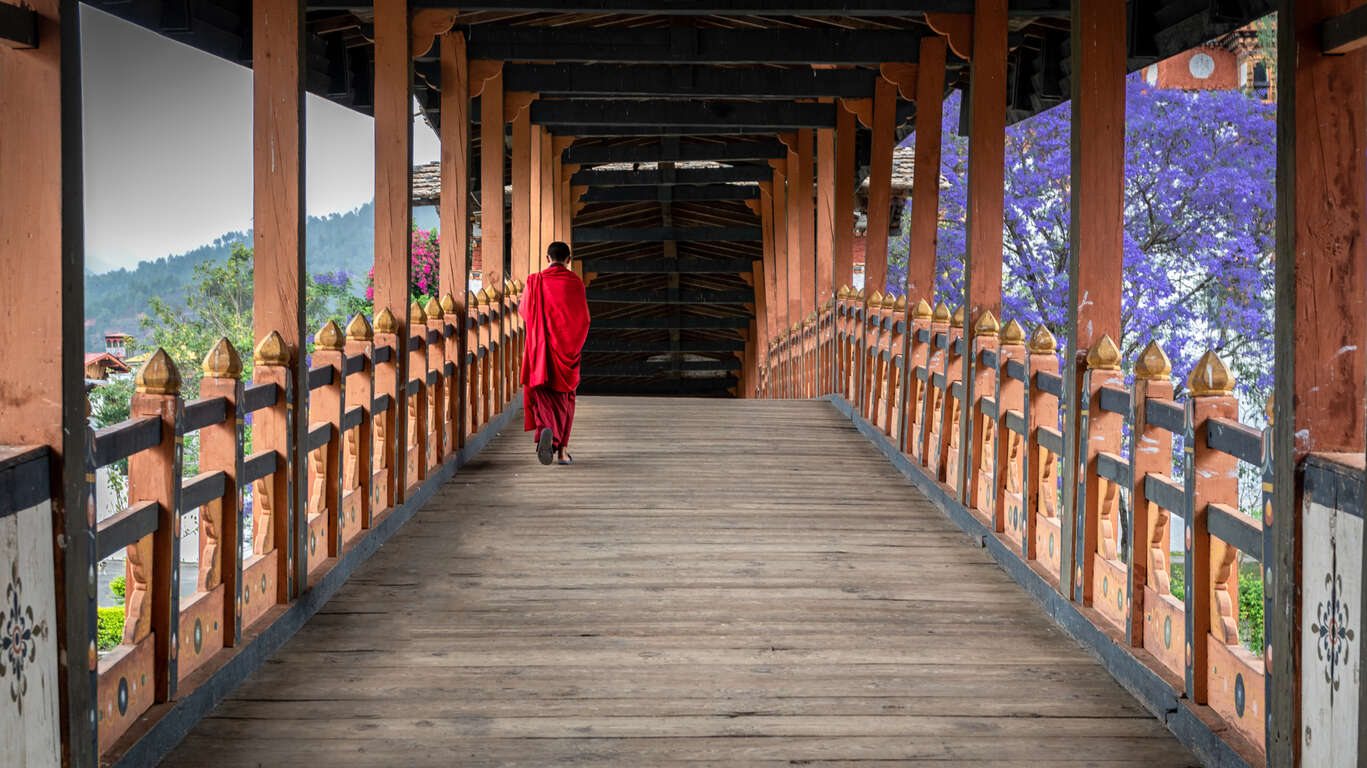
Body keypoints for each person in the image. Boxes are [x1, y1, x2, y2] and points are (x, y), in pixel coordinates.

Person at [520, 241, 590, 465]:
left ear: (547, 258)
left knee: (542, 397)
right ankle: (562, 452)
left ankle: (546, 431)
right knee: (566, 399)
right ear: (569, 260)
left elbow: (525, 312)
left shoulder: (535, 281)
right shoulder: (576, 284)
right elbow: (584, 320)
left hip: (541, 351)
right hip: (567, 353)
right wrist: (573, 346)